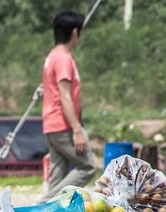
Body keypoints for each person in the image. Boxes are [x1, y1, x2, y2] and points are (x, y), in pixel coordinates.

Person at [41, 11, 95, 199]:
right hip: (62, 124)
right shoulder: (64, 58)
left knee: (58, 177)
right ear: (74, 33)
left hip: (51, 124)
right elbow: (65, 95)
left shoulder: (52, 56)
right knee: (87, 167)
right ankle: (41, 204)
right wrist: (76, 129)